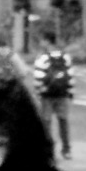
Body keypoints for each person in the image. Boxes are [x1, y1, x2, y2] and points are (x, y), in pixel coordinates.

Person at [33, 30, 74, 160]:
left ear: (46, 41)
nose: (40, 43)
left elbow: (38, 77)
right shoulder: (65, 57)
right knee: (63, 121)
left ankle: (49, 152)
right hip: (62, 94)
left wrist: (39, 92)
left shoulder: (43, 58)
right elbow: (70, 75)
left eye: (42, 40)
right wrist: (70, 92)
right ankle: (66, 150)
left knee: (46, 123)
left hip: (47, 96)